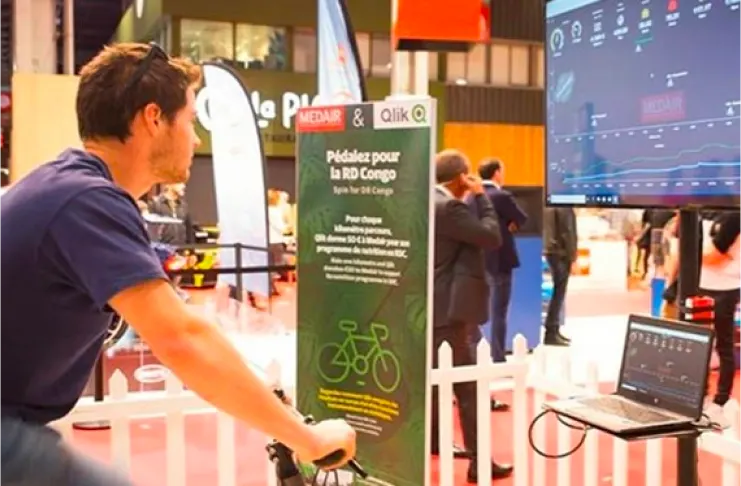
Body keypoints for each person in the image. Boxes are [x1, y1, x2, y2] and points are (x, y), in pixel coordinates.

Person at [0, 42, 355, 485]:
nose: (197, 137)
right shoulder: (86, 200)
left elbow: (182, 326)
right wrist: (307, 438)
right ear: (153, 118)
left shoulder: (77, 187)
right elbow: (182, 340)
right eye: (190, 120)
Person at [431, 149, 512, 482]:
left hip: (431, 308)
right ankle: (481, 464)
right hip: (451, 311)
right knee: (468, 389)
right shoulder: (450, 207)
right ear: (461, 177)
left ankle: (435, 441)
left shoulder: (427, 202)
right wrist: (483, 197)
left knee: (436, 381)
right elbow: (492, 236)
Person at [477, 158, 528, 366]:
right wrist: (509, 224)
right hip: (501, 260)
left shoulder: (474, 196)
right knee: (499, 311)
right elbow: (521, 218)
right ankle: (498, 355)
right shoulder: (501, 196)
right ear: (497, 173)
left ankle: (478, 349)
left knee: (478, 308)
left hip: (479, 259)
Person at [699, 211, 741, 427]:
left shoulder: (734, 215)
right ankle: (700, 395)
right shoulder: (702, 210)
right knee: (699, 344)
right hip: (701, 285)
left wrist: (692, 254)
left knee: (724, 344)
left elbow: (715, 257)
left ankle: (721, 400)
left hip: (725, 288)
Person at [542, 206, 577, 346]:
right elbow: (567, 231)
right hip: (561, 252)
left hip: (552, 251)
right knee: (559, 292)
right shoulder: (563, 206)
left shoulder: (550, 205)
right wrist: (572, 255)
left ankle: (553, 330)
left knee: (558, 292)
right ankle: (551, 331)